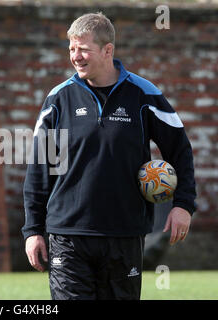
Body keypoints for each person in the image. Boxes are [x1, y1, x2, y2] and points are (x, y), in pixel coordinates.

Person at [22, 12, 196, 300]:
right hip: (67, 234)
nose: (76, 57)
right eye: (71, 49)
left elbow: (180, 150)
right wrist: (32, 230)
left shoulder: (144, 95)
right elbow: (39, 168)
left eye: (83, 49)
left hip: (125, 233)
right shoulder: (57, 100)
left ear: (107, 50)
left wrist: (183, 205)